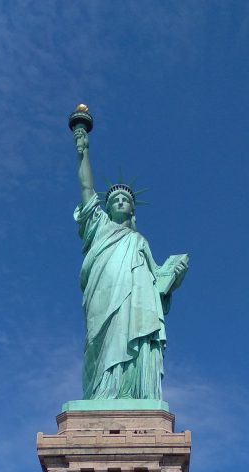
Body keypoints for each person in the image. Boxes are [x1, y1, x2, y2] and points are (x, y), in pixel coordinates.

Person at [72, 111, 188, 400]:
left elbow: (155, 283)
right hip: (104, 296)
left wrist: (172, 273)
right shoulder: (98, 227)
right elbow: (87, 189)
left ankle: (132, 393)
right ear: (108, 207)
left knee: (133, 339)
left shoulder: (139, 240)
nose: (121, 202)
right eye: (115, 200)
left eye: (125, 200)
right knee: (103, 340)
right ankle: (102, 395)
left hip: (136, 303)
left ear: (132, 210)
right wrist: (83, 151)